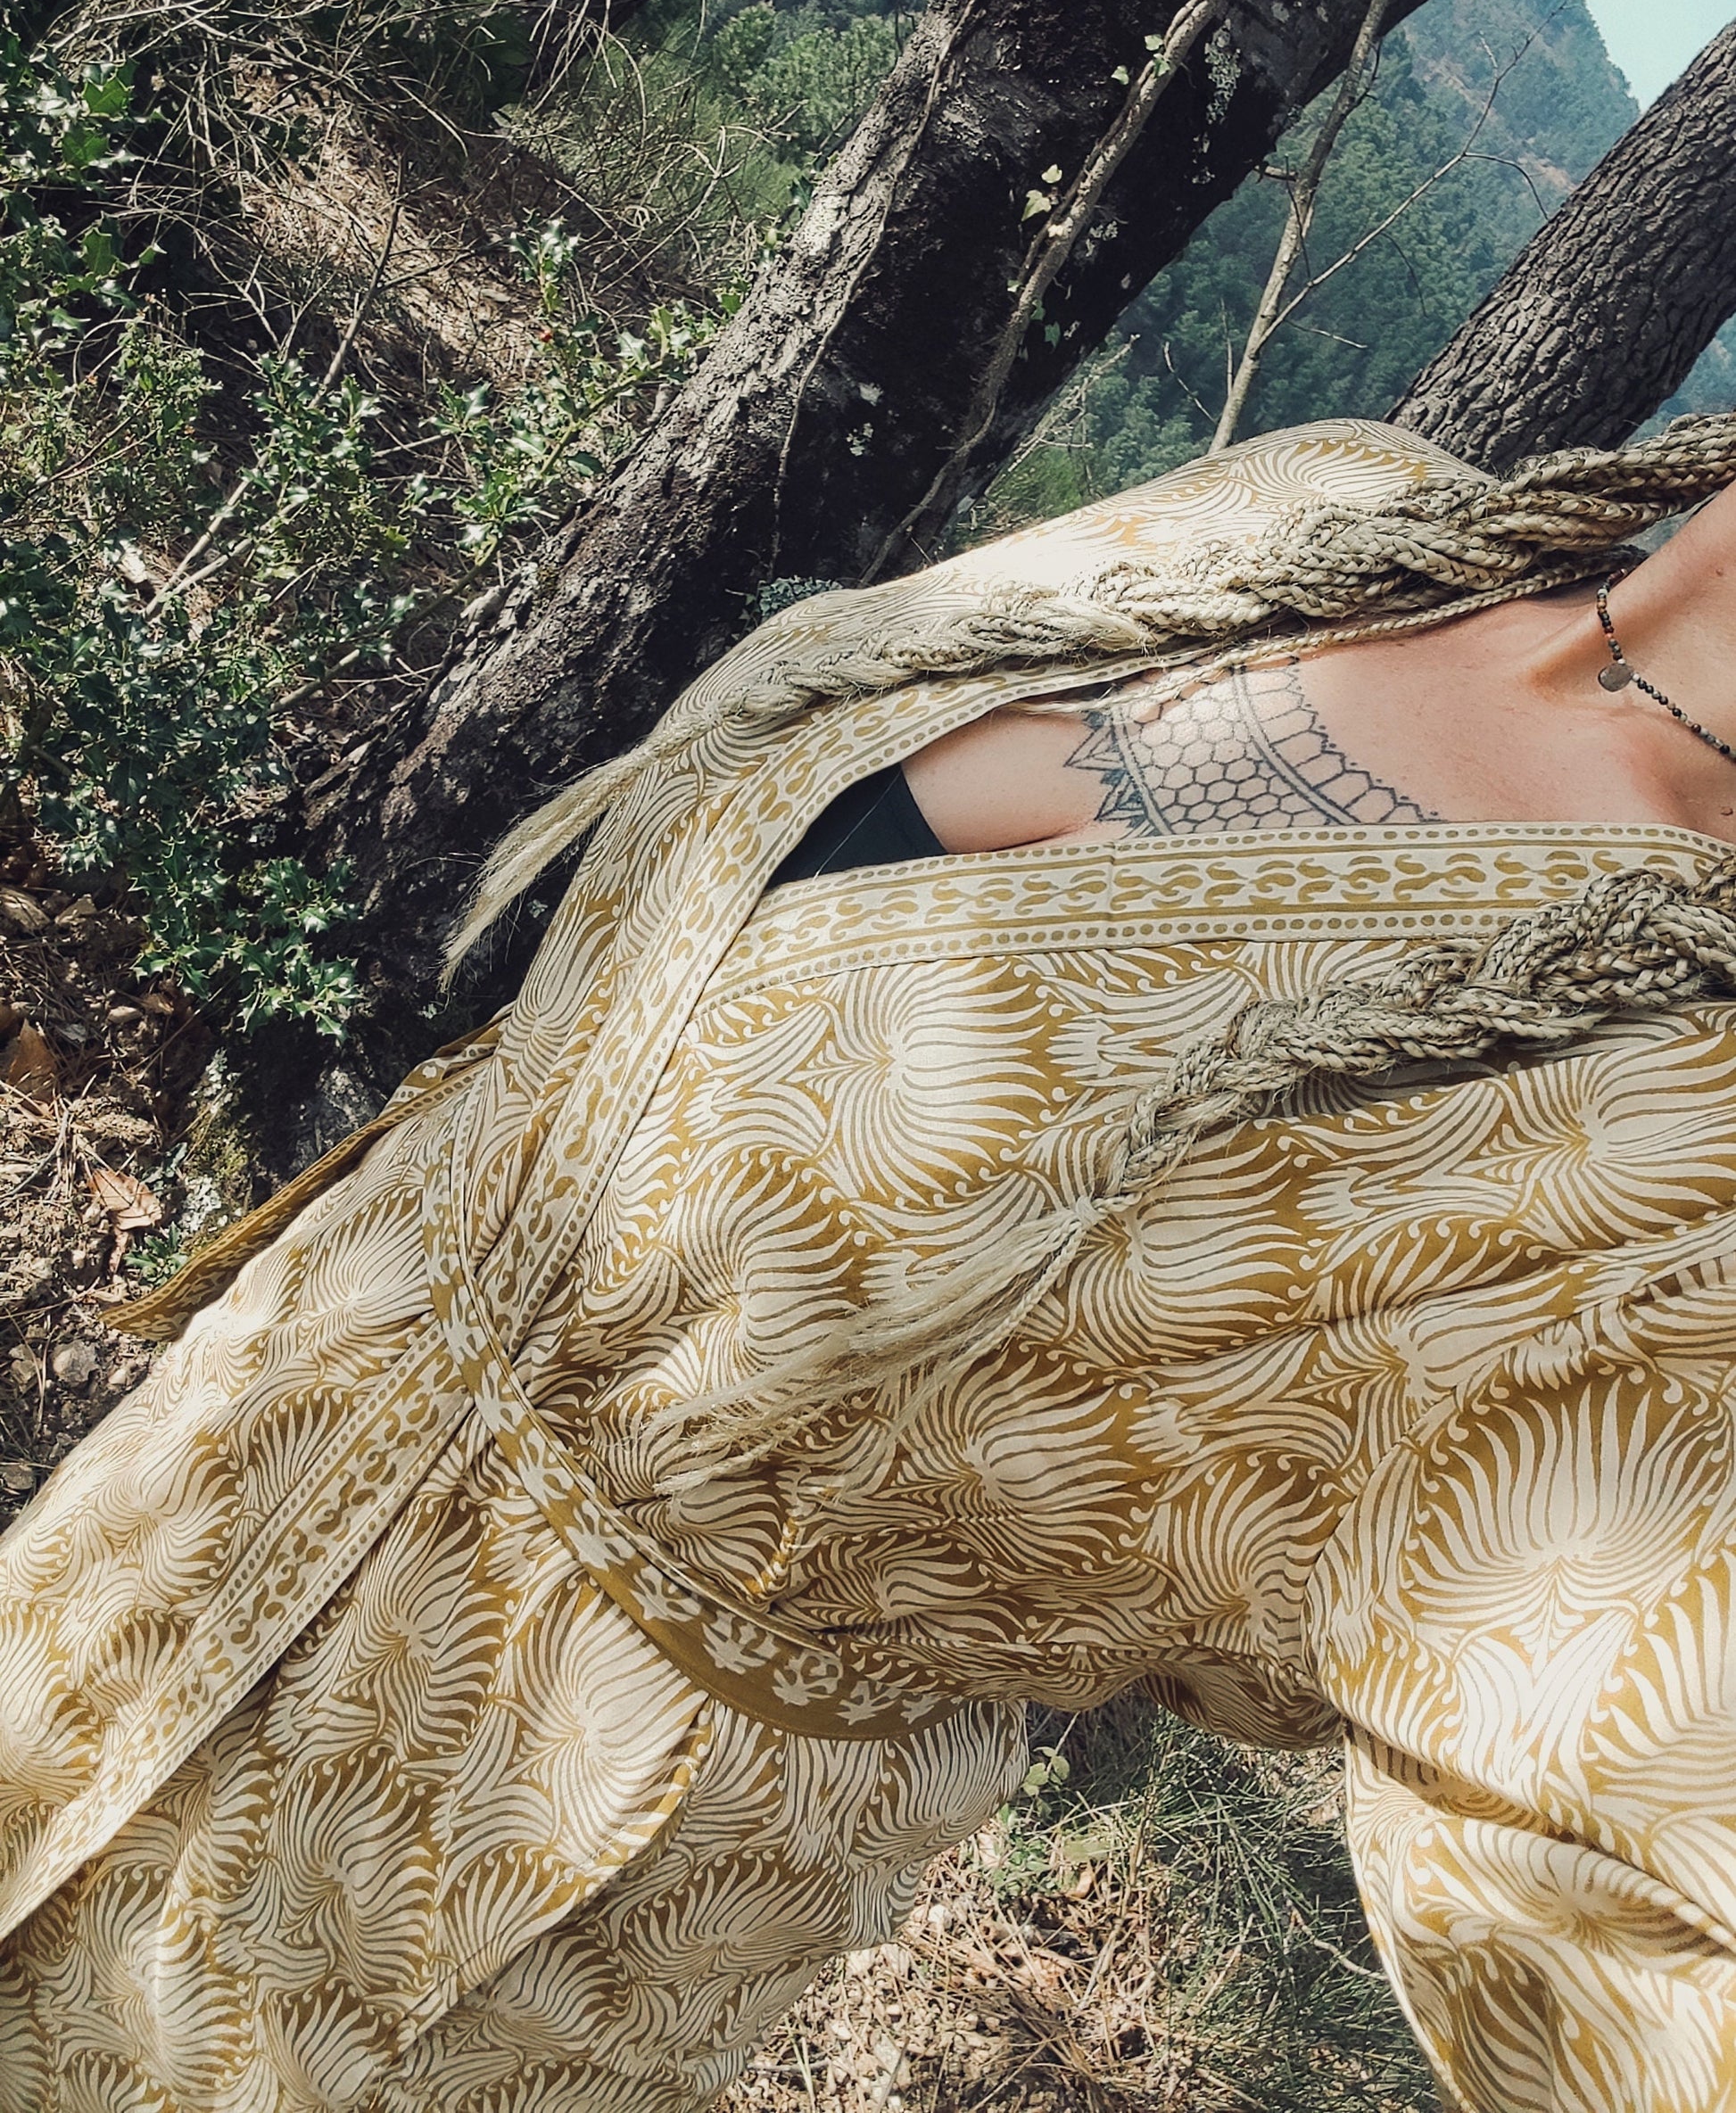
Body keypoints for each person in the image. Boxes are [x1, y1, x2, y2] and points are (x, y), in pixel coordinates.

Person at [5, 413, 1736, 2113]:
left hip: (465, 1884)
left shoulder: (1683, 1134)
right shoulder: (1339, 512)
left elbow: (1619, 1781)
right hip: (185, 1504)